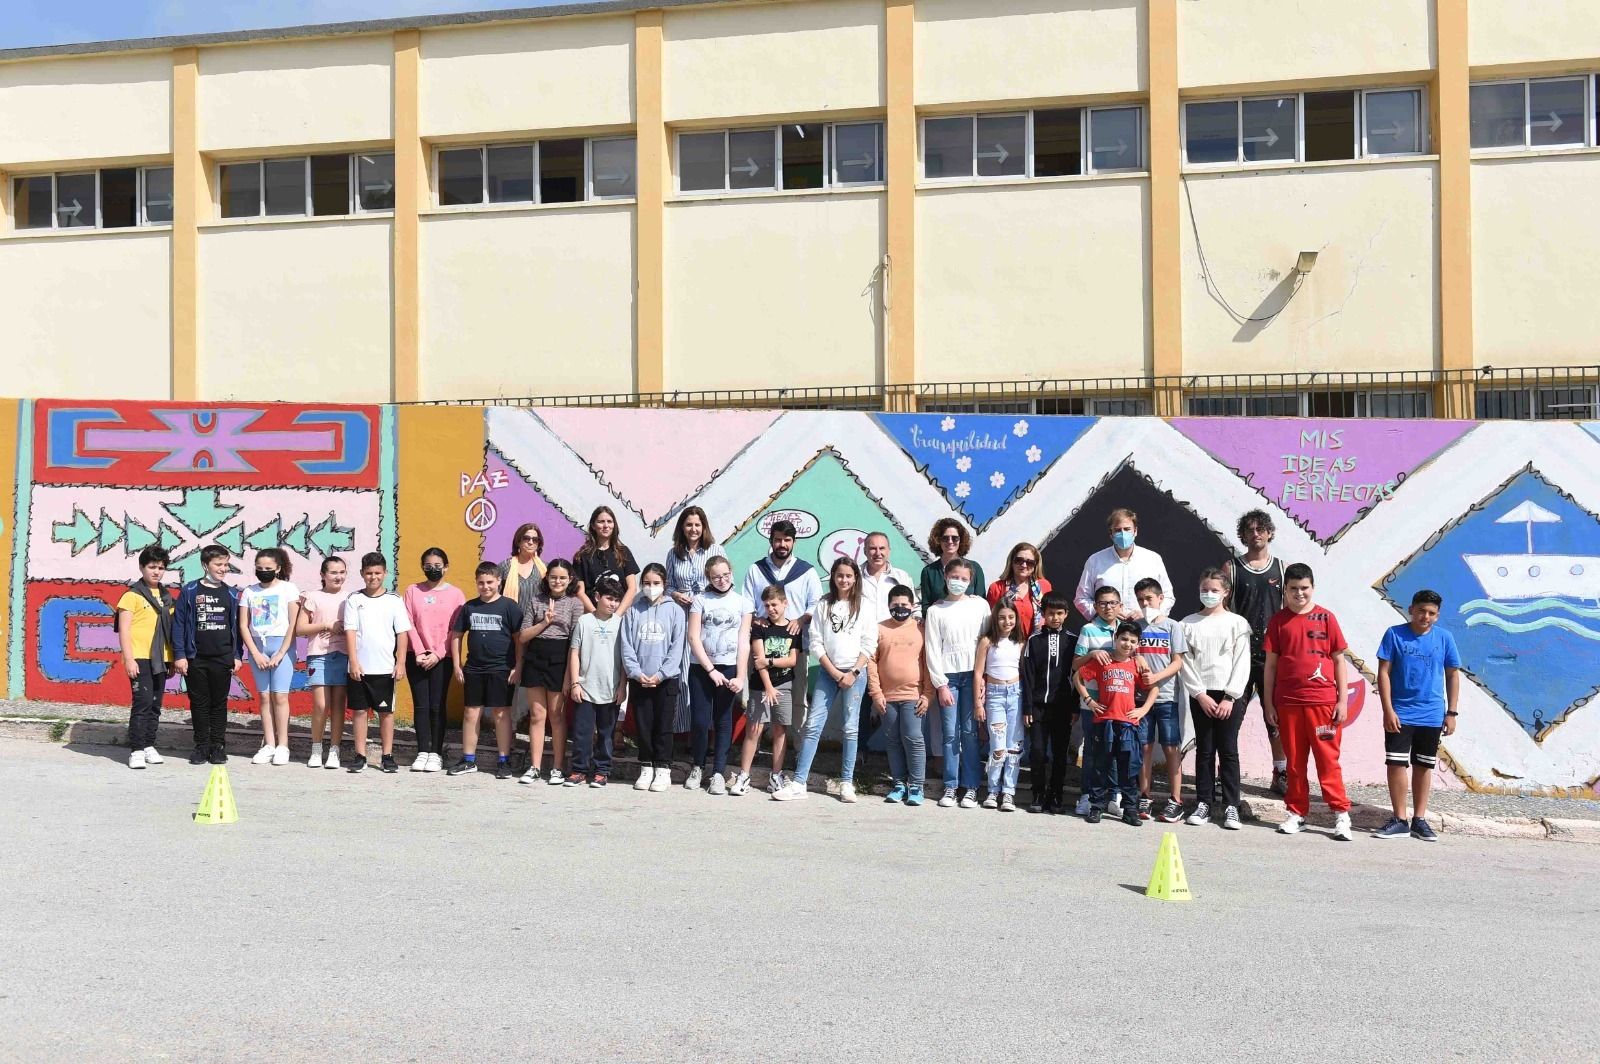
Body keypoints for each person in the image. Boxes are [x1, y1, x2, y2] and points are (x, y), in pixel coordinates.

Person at [776, 558, 878, 803]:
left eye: (849, 575)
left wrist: (853, 672)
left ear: (855, 578)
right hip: (828, 672)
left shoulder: (864, 605)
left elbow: (869, 642)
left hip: (855, 674)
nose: (844, 580)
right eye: (839, 575)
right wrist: (833, 672)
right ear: (833, 576)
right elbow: (816, 642)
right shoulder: (824, 604)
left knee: (850, 728)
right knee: (813, 725)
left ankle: (847, 783)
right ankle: (799, 782)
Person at [1264, 563, 1354, 841]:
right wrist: (1268, 703)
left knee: (1328, 761)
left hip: (1323, 703)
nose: (1299, 593)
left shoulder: (1327, 618)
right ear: (1285, 589)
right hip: (1288, 703)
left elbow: (1339, 660)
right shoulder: (1278, 621)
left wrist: (1342, 701)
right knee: (1294, 763)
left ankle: (1341, 814)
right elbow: (1270, 666)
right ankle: (1296, 813)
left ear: (1312, 587)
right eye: (1293, 588)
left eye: (1304, 588)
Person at [1374, 590, 1462, 842]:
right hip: (1400, 713)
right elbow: (1384, 673)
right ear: (1411, 609)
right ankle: (1400, 819)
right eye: (1421, 610)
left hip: (1431, 714)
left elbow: (1452, 675)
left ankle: (1419, 820)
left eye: (1432, 613)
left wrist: (1451, 712)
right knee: (1396, 764)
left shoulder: (1444, 638)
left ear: (1437, 615)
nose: (1426, 616)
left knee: (1424, 765)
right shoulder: (1394, 634)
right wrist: (1388, 710)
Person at [1177, 568, 1252, 829]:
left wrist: (1230, 697)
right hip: (1202, 695)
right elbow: (1185, 663)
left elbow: (1242, 662)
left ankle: (1231, 805)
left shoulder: (1237, 623)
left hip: (1229, 695)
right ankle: (1204, 803)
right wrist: (1199, 694)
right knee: (1205, 750)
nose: (1208, 594)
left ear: (1226, 592)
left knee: (1228, 750)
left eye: (1214, 590)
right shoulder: (1187, 624)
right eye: (1204, 590)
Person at [1223, 509, 1289, 794]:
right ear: (1242, 535)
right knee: (1230, 717)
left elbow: (1292, 612)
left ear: (1269, 533)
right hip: (1239, 655)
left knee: (1275, 718)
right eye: (1250, 530)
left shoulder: (1283, 569)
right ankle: (1226, 775)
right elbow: (1222, 610)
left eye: (1260, 529)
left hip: (1272, 657)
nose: (1255, 534)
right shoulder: (1232, 568)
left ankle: (1281, 772)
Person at [921, 559, 991, 809]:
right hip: (948, 678)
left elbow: (987, 642)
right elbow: (932, 649)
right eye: (954, 577)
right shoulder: (936, 611)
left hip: (973, 676)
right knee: (950, 733)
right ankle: (950, 785)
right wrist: (940, 684)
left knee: (970, 732)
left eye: (964, 578)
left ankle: (971, 786)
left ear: (970, 581)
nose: (959, 582)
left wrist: (984, 677)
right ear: (945, 577)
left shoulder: (980, 605)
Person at [1074, 620, 1156, 826]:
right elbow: (1078, 677)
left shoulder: (1137, 665)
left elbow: (1154, 687)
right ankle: (1097, 807)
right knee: (1100, 766)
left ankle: (1130, 810)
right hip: (1104, 722)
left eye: (1133, 641)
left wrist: (1143, 709)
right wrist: (1089, 700)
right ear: (1116, 638)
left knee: (1128, 769)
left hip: (1128, 725)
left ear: (1138, 644)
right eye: (1124, 639)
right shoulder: (1103, 661)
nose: (1127, 644)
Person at [449, 563, 522, 779]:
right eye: (481, 582)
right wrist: (457, 665)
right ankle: (468, 760)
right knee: (471, 713)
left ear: (499, 581)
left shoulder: (509, 607)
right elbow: (456, 635)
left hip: (501, 668)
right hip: (474, 668)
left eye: (490, 582)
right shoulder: (469, 607)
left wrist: (518, 666)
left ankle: (504, 761)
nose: (485, 586)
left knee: (501, 713)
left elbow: (519, 640)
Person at [172, 543, 243, 766]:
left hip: (223, 657)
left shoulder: (231, 593)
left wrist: (237, 655)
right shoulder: (190, 591)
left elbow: (238, 627)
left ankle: (217, 746)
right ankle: (201, 746)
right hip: (196, 658)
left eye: (226, 564)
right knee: (199, 703)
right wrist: (180, 655)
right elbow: (179, 624)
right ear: (205, 565)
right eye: (218, 564)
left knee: (219, 703)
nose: (223, 569)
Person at [687, 556, 753, 794]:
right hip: (701, 668)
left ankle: (718, 772)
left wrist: (740, 676)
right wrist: (710, 669)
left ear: (731, 572)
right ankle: (697, 766)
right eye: (716, 577)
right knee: (700, 720)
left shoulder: (743, 603)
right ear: (709, 578)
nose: (722, 580)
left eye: (725, 575)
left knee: (724, 720)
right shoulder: (700, 600)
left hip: (729, 668)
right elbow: (693, 637)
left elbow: (743, 641)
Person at [342, 553, 411, 774]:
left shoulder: (394, 600)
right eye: (369, 573)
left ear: (385, 573)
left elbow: (402, 633)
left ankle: (387, 756)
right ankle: (360, 755)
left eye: (377, 573)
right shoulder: (354, 599)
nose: (373, 577)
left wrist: (401, 662)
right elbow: (350, 631)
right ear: (362, 574)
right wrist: (353, 661)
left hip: (385, 669)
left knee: (386, 713)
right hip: (359, 669)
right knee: (360, 712)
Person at [517, 559, 584, 785]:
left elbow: (575, 643)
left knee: (556, 715)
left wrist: (568, 678)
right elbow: (523, 636)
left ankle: (557, 767)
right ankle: (534, 767)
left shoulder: (575, 603)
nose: (558, 581)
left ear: (570, 579)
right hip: (535, 657)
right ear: (547, 578)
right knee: (537, 715)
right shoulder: (536, 600)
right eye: (553, 577)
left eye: (562, 578)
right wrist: (544, 623)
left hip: (560, 658)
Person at [620, 563, 685, 793]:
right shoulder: (633, 611)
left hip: (666, 680)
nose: (651, 587)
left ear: (664, 584)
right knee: (644, 725)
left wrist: (661, 674)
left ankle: (663, 768)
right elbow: (626, 645)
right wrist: (636, 673)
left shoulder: (675, 611)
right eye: (646, 583)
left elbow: (677, 647)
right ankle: (646, 766)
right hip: (639, 679)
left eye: (656, 583)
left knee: (663, 726)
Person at [867, 584, 930, 806]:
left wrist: (927, 695)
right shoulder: (880, 629)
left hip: (914, 695)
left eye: (904, 604)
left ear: (912, 606)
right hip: (887, 697)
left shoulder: (921, 629)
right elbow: (871, 662)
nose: (900, 608)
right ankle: (899, 784)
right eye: (896, 605)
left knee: (913, 738)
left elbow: (928, 662)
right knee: (893, 740)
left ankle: (917, 785)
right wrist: (876, 694)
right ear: (888, 606)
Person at [404, 548, 465, 773]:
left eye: (438, 565)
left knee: (437, 705)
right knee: (421, 704)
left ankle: (436, 753)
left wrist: (438, 654)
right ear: (422, 567)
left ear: (446, 567)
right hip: (416, 657)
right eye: (428, 565)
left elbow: (456, 629)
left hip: (443, 657)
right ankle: (422, 751)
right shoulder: (412, 591)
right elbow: (407, 622)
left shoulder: (456, 595)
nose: (433, 569)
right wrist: (419, 651)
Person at [239, 548, 302, 766]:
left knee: (280, 696)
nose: (263, 571)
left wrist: (281, 652)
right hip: (258, 648)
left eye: (268, 568)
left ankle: (283, 745)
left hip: (282, 647)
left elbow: (293, 624)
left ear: (278, 568)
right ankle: (269, 744)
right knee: (264, 697)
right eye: (259, 568)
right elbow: (243, 625)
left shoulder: (288, 589)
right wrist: (255, 653)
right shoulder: (249, 592)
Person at [736, 585, 801, 796]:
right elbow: (758, 662)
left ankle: (776, 775)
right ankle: (743, 775)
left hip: (784, 687)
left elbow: (792, 660)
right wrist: (769, 687)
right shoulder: (759, 627)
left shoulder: (793, 629)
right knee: (754, 729)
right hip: (761, 687)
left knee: (780, 730)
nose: (770, 609)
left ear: (784, 603)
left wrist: (770, 661)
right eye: (766, 605)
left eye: (774, 604)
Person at [1133, 577, 1187, 823]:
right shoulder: (1135, 626)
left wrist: (1156, 676)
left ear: (1161, 598)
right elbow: (1127, 652)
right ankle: (1145, 796)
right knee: (1144, 747)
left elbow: (1177, 662)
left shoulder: (1173, 626)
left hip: (1166, 697)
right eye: (1140, 600)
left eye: (1149, 599)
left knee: (1170, 748)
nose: (1145, 604)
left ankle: (1176, 800)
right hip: (1140, 698)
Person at [666, 506, 725, 731]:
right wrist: (676, 594)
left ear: (704, 527)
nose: (693, 529)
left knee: (707, 663)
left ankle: (707, 730)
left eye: (697, 525)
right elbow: (667, 585)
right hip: (682, 616)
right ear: (682, 527)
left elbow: (725, 581)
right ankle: (685, 727)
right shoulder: (674, 553)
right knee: (684, 667)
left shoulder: (715, 550)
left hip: (708, 616)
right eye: (689, 524)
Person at [116, 546, 174, 770]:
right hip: (139, 657)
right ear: (142, 568)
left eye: (161, 567)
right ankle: (137, 750)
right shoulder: (131, 596)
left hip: (162, 658)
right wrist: (129, 659)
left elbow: (170, 630)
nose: (156, 572)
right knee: (142, 703)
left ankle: (149, 745)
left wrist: (172, 658)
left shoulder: (167, 597)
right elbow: (124, 630)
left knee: (155, 704)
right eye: (152, 567)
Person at [566, 576, 627, 788]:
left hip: (611, 689)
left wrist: (622, 686)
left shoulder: (621, 624)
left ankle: (602, 771)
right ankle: (579, 770)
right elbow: (575, 653)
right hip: (585, 688)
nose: (613, 604)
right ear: (597, 597)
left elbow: (624, 659)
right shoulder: (584, 622)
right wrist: (575, 683)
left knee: (606, 734)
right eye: (609, 598)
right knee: (582, 733)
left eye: (617, 600)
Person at [1022, 592, 1078, 814]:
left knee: (1060, 753)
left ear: (1066, 614)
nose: (1055, 617)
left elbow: (1078, 676)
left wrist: (1074, 706)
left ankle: (1056, 795)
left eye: (1059, 613)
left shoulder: (1073, 640)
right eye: (1051, 613)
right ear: (1043, 614)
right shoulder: (1034, 640)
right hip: (1038, 706)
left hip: (1063, 707)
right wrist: (1027, 707)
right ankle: (1038, 794)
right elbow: (1028, 676)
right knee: (1037, 751)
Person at [1070, 585, 1123, 816]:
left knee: (1115, 749)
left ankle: (1114, 796)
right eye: (1102, 603)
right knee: (1092, 749)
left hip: (1118, 700)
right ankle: (1087, 795)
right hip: (1092, 701)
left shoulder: (1125, 629)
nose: (1108, 607)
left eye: (1112, 603)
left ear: (1120, 605)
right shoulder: (1089, 629)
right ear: (1095, 606)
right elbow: (1075, 664)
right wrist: (1091, 655)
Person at [1073, 508, 1173, 622]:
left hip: (1145, 627)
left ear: (1135, 531)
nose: (1123, 534)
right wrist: (1104, 613)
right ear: (1111, 534)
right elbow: (1081, 598)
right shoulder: (1095, 561)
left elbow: (1168, 596)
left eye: (1127, 529)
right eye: (1118, 530)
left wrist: (1148, 614)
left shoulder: (1152, 559)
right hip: (1107, 628)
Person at [298, 556, 349, 770]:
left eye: (342, 572)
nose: (338, 576)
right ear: (323, 574)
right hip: (318, 656)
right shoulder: (312, 597)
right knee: (321, 705)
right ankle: (316, 748)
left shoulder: (351, 598)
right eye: (333, 572)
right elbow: (300, 629)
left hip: (343, 655)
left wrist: (343, 627)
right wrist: (326, 625)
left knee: (338, 706)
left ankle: (335, 750)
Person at [973, 601, 1025, 812]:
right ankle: (993, 790)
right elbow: (978, 673)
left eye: (1011, 617)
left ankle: (1008, 792)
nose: (1007, 622)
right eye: (1002, 617)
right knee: (997, 746)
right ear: (995, 619)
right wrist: (978, 703)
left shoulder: (1020, 642)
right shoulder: (987, 641)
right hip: (994, 695)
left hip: (1016, 694)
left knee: (1014, 746)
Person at [573, 506, 639, 614]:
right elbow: (580, 592)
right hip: (593, 616)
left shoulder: (623, 552)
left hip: (620, 616)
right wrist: (596, 615)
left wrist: (617, 616)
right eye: (601, 522)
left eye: (609, 521)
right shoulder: (582, 556)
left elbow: (632, 589)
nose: (606, 525)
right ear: (593, 525)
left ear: (614, 525)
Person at [918, 518, 987, 609]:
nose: (950, 541)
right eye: (945, 538)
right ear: (938, 541)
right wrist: (934, 608)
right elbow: (925, 606)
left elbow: (982, 602)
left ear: (961, 540)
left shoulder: (975, 568)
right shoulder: (929, 572)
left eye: (955, 538)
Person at [986, 542, 1052, 637]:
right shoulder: (997, 587)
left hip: (1037, 642)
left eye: (1030, 562)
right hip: (1007, 642)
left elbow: (1050, 616)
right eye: (1019, 560)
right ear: (1011, 562)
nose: (1024, 565)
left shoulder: (1044, 586)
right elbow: (991, 622)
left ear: (1035, 566)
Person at [497, 522, 547, 619]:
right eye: (526, 538)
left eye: (535, 540)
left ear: (539, 544)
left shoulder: (545, 568)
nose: (530, 542)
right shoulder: (505, 566)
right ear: (518, 541)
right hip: (509, 622)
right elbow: (494, 596)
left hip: (537, 623)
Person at [859, 531, 916, 618]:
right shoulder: (855, 576)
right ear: (865, 551)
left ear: (888, 551)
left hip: (895, 627)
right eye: (873, 548)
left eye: (882, 548)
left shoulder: (902, 577)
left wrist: (917, 618)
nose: (878, 553)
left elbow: (914, 607)